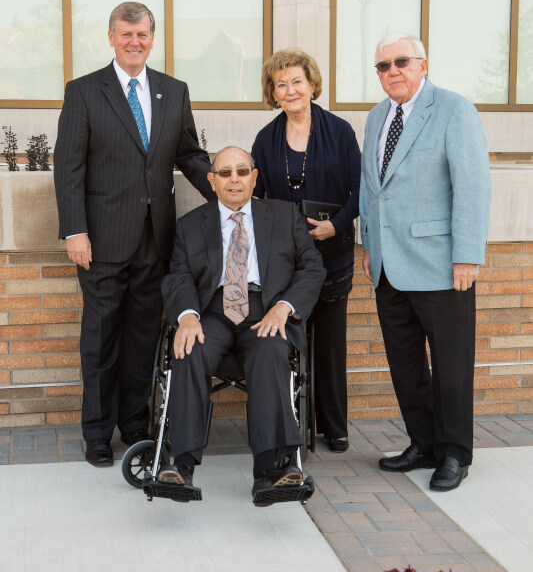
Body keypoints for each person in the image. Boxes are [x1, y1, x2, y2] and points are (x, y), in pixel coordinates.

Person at [54, 1, 214, 468]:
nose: (134, 42)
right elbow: (69, 168)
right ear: (110, 37)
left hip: (155, 238)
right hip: (101, 240)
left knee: (144, 335)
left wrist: (227, 191)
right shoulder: (84, 91)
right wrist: (75, 230)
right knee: (101, 336)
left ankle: (135, 422)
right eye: (126, 34)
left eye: (142, 34)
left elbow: (189, 154)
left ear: (152, 37)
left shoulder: (172, 89)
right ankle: (98, 432)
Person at [360, 32, 491, 492]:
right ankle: (424, 442)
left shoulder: (454, 110)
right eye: (383, 66)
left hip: (441, 264)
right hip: (388, 267)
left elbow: (472, 186)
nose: (392, 71)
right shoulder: (377, 117)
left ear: (423, 64)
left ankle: (455, 453)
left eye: (401, 62)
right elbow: (369, 187)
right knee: (406, 364)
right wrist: (368, 246)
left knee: (452, 365)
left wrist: (468, 257)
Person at [159, 146, 326, 503]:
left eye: (241, 171)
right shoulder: (191, 225)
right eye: (225, 173)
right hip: (212, 313)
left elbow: (312, 268)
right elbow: (177, 276)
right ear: (212, 180)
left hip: (266, 311)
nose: (234, 179)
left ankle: (272, 470)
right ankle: (180, 465)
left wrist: (284, 307)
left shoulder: (284, 216)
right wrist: (187, 316)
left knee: (269, 353)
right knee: (188, 348)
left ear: (253, 176)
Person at [251, 49, 361, 453]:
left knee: (330, 343)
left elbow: (360, 190)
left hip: (333, 252)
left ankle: (334, 427)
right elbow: (256, 198)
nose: (290, 90)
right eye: (281, 84)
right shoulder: (265, 138)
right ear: (273, 93)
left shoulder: (341, 131)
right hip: (287, 259)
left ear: (312, 84)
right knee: (289, 338)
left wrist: (335, 224)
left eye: (297, 81)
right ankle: (290, 422)